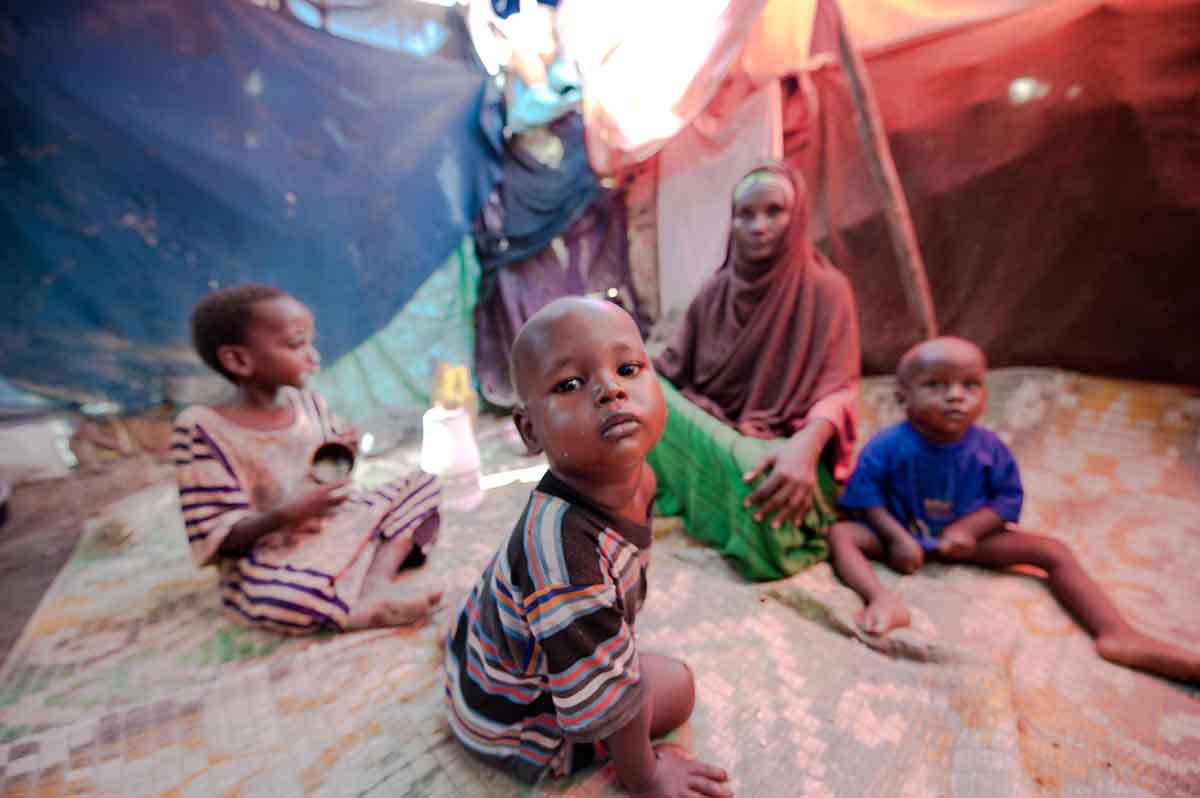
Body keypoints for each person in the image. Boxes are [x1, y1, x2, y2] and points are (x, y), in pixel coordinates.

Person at [444, 297, 732, 796]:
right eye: (569, 384)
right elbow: (613, 699)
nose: (610, 389)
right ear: (529, 429)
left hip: (495, 652)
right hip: (512, 722)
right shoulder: (563, 556)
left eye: (627, 369)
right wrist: (646, 777)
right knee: (679, 687)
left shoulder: (640, 477)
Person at [830, 336, 1200, 683]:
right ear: (903, 396)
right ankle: (880, 597)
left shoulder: (989, 448)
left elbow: (1006, 500)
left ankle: (1116, 633)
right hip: (902, 532)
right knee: (841, 535)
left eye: (970, 385)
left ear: (985, 396)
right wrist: (896, 537)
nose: (956, 396)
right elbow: (865, 496)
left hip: (967, 542)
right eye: (935, 385)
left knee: (1053, 552)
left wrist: (970, 530)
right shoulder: (887, 446)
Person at [173, 284, 442, 635]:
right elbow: (217, 536)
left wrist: (345, 452)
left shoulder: (309, 404)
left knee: (422, 485)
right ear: (239, 360)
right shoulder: (203, 429)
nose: (313, 357)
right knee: (276, 597)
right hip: (272, 555)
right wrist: (288, 513)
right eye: (296, 344)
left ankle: (375, 584)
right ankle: (349, 608)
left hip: (333, 527)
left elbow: (329, 475)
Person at [650, 160, 860, 581]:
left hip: (786, 442)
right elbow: (669, 372)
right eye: (745, 214)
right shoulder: (716, 291)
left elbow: (839, 388)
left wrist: (805, 447)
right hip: (716, 428)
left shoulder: (827, 289)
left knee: (761, 482)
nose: (758, 226)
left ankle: (717, 492)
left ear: (797, 217)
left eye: (774, 212)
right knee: (641, 391)